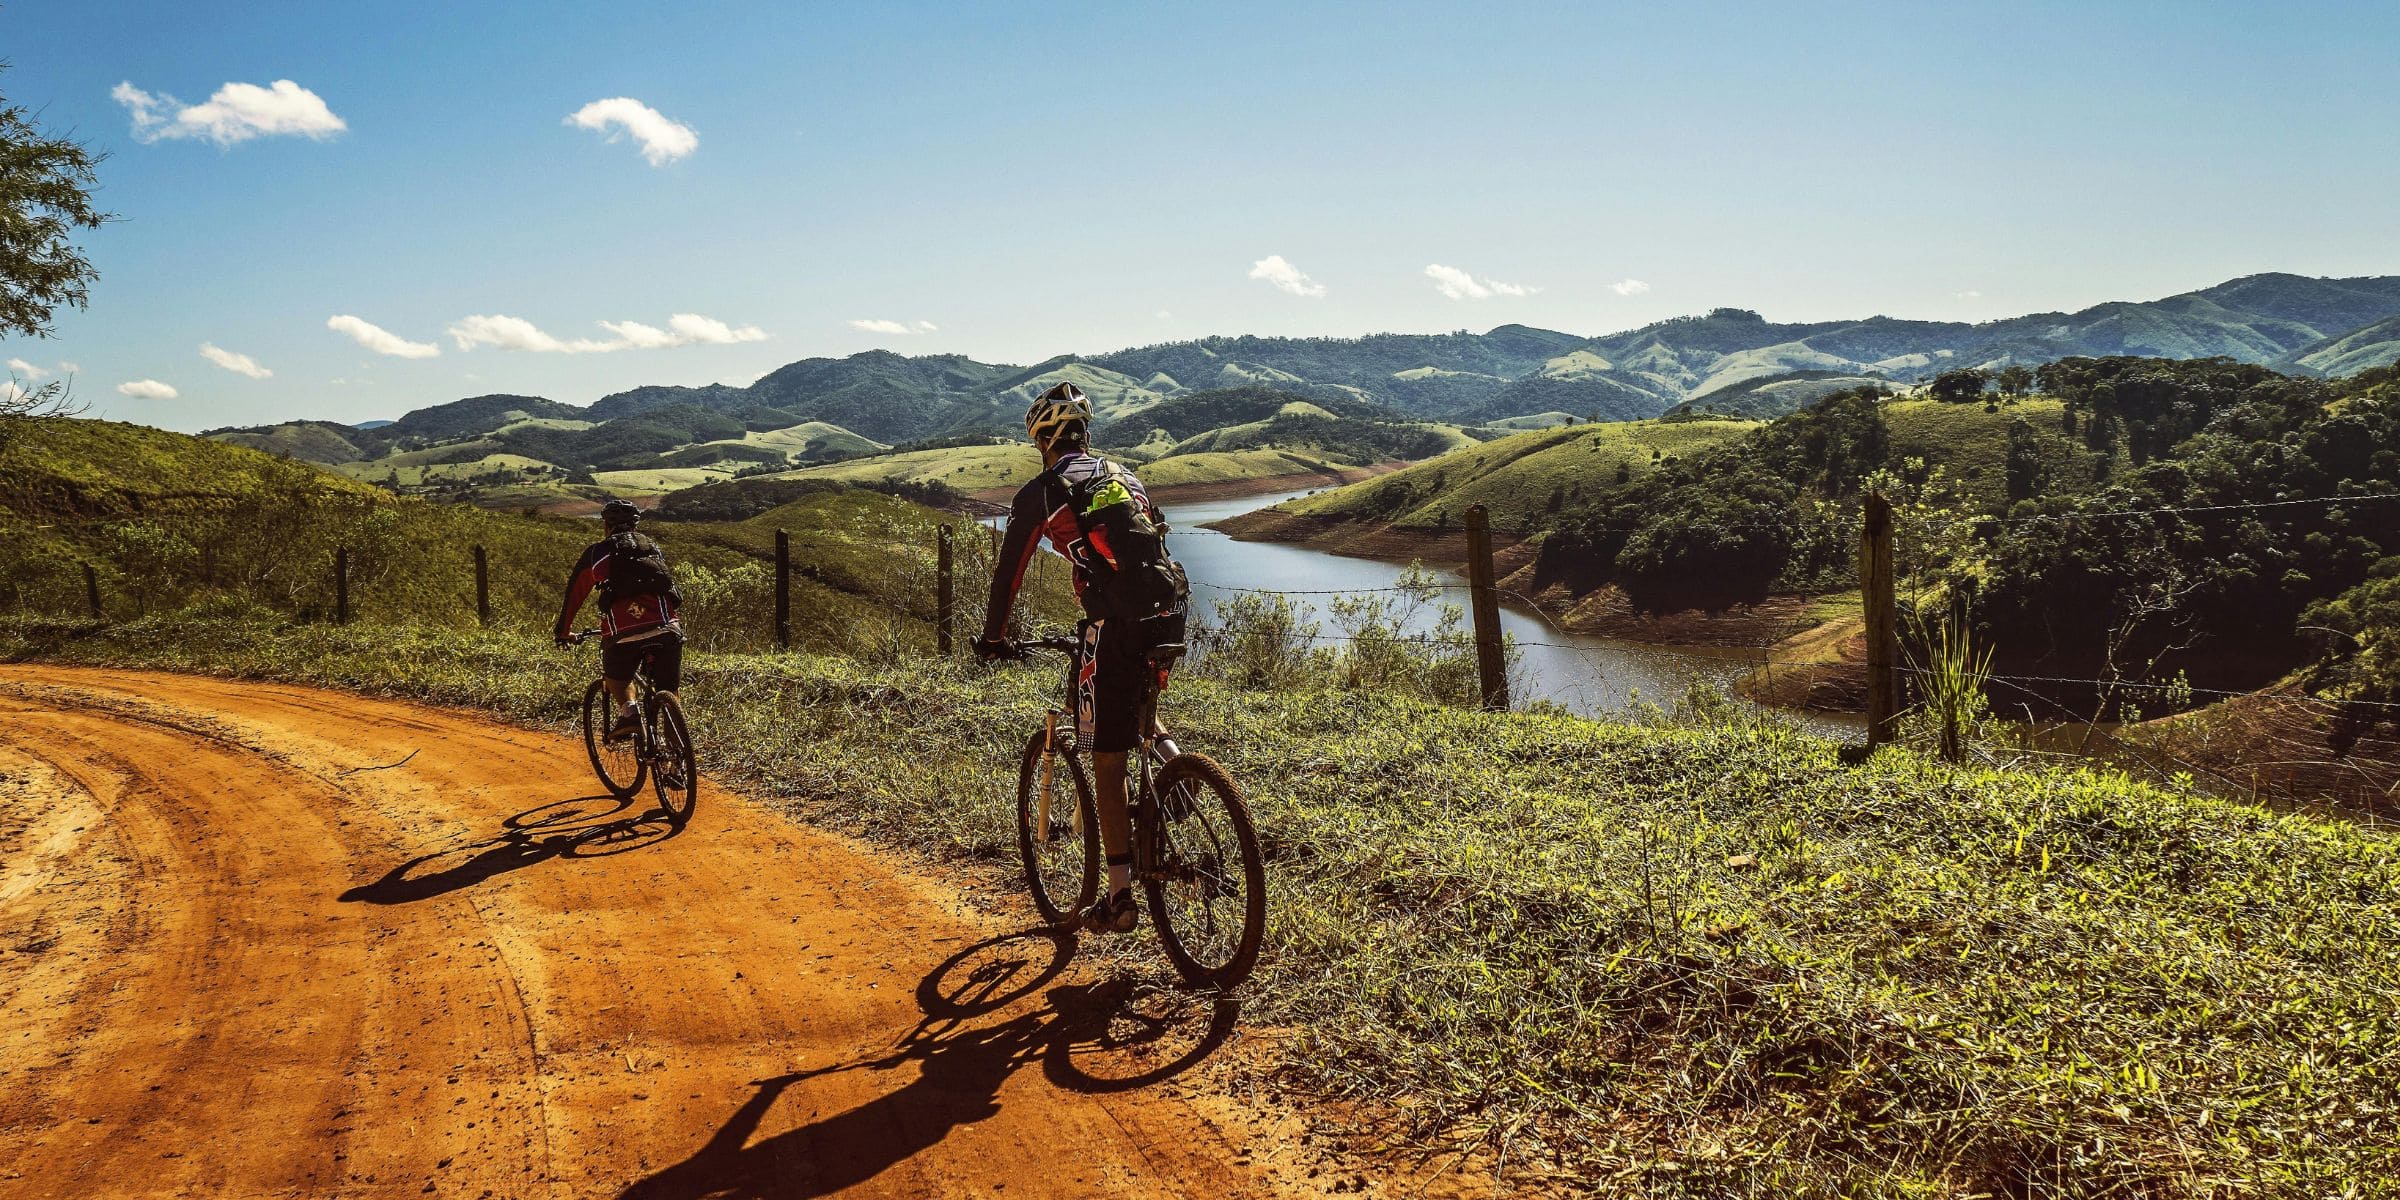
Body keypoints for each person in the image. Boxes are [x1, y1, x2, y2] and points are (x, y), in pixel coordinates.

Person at [977, 382, 1190, 935]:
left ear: (1042, 441)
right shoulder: (1123, 475)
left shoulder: (1043, 492)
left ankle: (1119, 898)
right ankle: (1178, 767)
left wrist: (994, 638)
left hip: (1115, 624)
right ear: (1084, 435)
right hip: (1169, 609)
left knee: (1107, 758)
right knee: (1136, 708)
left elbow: (1008, 575)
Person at [554, 499, 684, 741]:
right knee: (669, 690)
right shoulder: (652, 547)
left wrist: (563, 631)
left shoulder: (596, 553)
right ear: (635, 526)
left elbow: (575, 595)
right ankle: (677, 757)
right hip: (667, 627)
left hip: (623, 633)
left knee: (616, 676)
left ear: (606, 525)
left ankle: (629, 713)